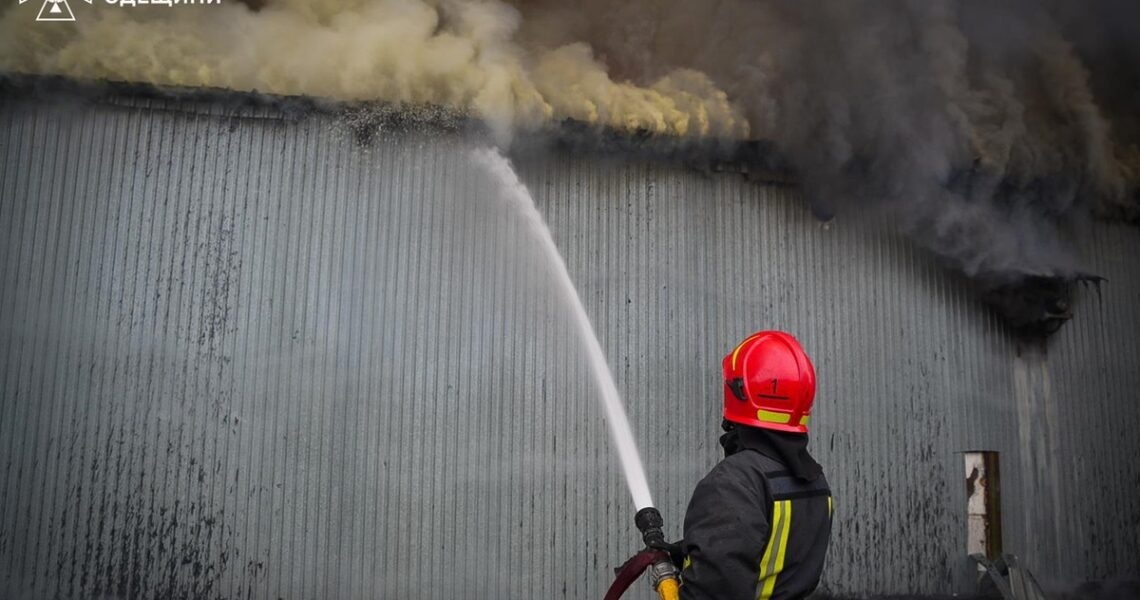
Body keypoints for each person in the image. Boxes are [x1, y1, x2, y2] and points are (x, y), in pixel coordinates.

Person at [679, 331, 832, 600]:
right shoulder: (815, 481)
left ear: (739, 392)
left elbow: (715, 591)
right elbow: (765, 550)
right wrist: (687, 552)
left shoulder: (733, 483)